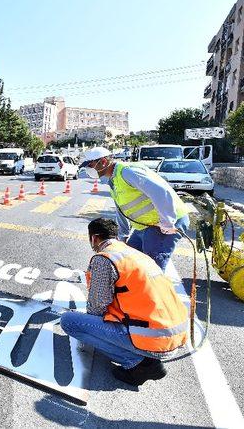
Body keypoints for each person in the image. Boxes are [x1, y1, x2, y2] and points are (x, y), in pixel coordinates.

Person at [61, 218, 188, 386]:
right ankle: (142, 356)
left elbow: (97, 306)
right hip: (175, 334)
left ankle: (138, 363)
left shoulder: (104, 258)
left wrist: (90, 331)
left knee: (69, 322)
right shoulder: (134, 254)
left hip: (152, 339)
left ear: (94, 238)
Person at [78, 146, 190, 270]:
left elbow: (160, 192)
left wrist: (168, 222)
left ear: (103, 162)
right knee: (129, 261)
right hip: (144, 226)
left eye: (90, 165)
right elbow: (121, 210)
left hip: (164, 224)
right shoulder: (113, 180)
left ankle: (155, 288)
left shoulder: (127, 172)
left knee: (151, 269)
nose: (89, 169)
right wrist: (123, 236)